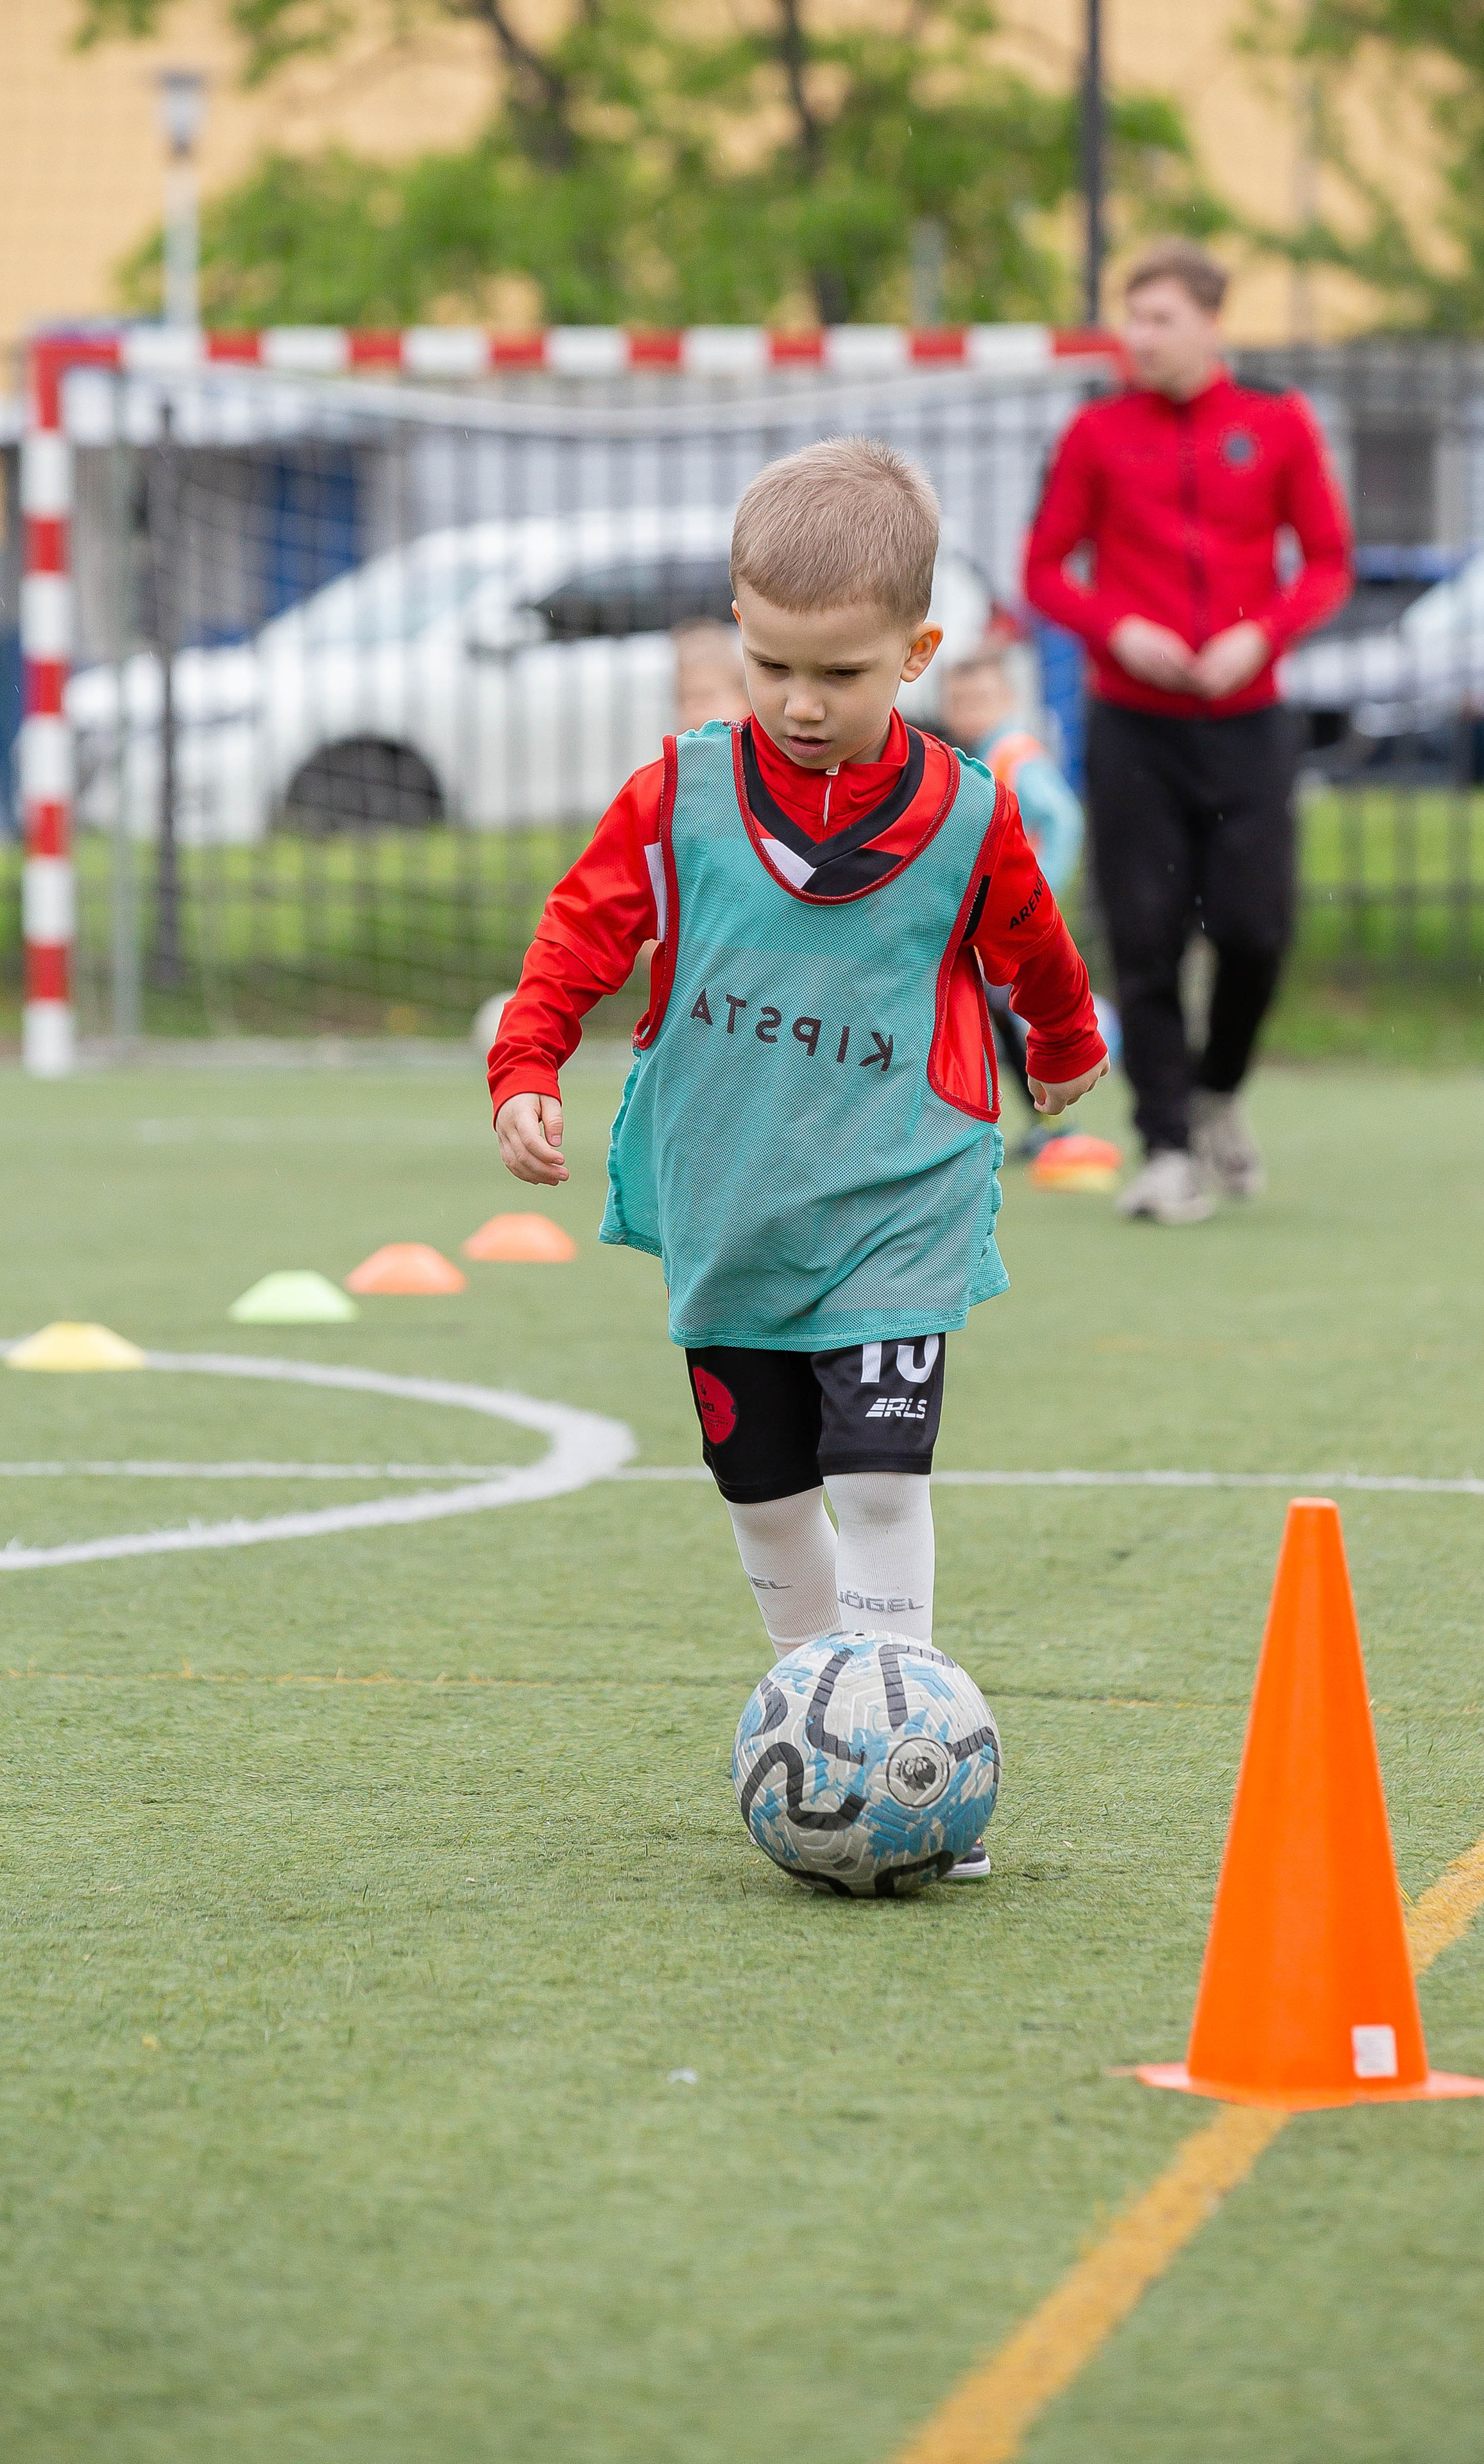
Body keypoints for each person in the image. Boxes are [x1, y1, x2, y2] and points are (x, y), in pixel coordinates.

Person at [489, 436, 1109, 1883]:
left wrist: (1065, 1043)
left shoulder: (965, 813)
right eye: (771, 668)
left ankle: (901, 1750)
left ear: (917, 654)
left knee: (880, 1477)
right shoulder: (678, 798)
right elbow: (579, 933)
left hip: (899, 1196)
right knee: (761, 1486)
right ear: (736, 637)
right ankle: (813, 1714)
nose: (799, 703)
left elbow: (1031, 945)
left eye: (838, 673)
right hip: (731, 1205)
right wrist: (527, 1064)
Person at [1024, 237, 1353, 1224]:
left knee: (1257, 931)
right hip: (1133, 729)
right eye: (1133, 317)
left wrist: (1262, 639)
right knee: (1145, 937)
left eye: (1162, 318)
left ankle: (1216, 1091)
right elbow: (1045, 569)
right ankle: (1166, 1147)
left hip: (1249, 725)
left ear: (1213, 322)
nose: (1141, 337)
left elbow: (1329, 561)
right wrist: (1118, 627)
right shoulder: (1096, 433)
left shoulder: (1276, 423)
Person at [940, 646, 1086, 1154]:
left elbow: (1063, 820)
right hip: (1000, 918)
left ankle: (1056, 1126)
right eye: (960, 700)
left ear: (1008, 699)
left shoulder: (1015, 754)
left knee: (1018, 1013)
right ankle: (1042, 1127)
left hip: (1019, 917)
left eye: (982, 698)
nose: (970, 710)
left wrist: (1042, 892)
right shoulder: (982, 757)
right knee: (998, 1011)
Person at [672, 619, 751, 732]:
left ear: (743, 701)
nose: (693, 714)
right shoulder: (678, 746)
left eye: (704, 700)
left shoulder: (758, 747)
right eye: (683, 701)